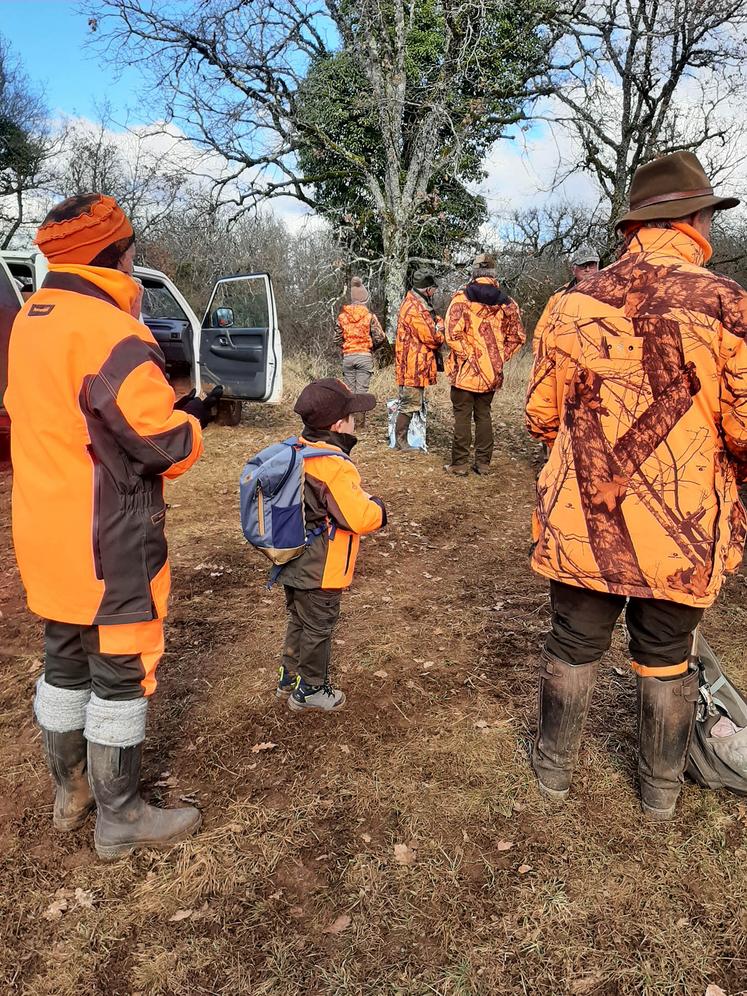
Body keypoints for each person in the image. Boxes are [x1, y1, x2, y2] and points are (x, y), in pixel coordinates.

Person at [525, 151, 747, 821]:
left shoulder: (568, 303)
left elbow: (539, 414)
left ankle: (551, 776)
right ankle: (657, 795)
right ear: (695, 219)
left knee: (571, 644)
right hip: (680, 525)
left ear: (633, 225)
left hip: (584, 512)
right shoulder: (727, 305)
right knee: (666, 656)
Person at [5, 193, 220, 860]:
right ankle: (120, 816)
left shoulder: (33, 320)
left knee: (64, 661)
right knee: (121, 672)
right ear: (115, 253)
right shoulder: (112, 331)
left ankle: (70, 794)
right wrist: (192, 423)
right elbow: (158, 443)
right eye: (130, 244)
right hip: (110, 539)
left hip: (46, 533)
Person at [275, 379, 387, 711]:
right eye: (352, 416)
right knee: (319, 628)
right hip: (321, 567)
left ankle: (288, 678)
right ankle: (310, 690)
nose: (355, 422)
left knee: (299, 620)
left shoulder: (297, 449)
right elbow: (358, 517)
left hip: (292, 558)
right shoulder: (333, 465)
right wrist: (379, 507)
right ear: (338, 425)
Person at [443, 253, 525, 476]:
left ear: (474, 272)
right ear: (493, 274)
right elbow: (518, 337)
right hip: (491, 373)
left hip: (465, 371)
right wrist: (497, 358)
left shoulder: (461, 299)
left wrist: (470, 356)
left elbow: (451, 334)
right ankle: (483, 463)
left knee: (462, 416)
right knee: (484, 415)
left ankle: (459, 464)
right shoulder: (508, 303)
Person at [394, 269, 444, 451]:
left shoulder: (419, 303)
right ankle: (401, 442)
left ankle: (403, 440)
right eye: (434, 288)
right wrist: (440, 328)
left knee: (412, 402)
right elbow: (432, 337)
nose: (435, 292)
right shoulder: (415, 307)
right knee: (409, 403)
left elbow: (430, 321)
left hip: (416, 363)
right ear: (427, 289)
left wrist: (436, 322)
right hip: (412, 364)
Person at [532, 244, 600, 356]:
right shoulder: (559, 297)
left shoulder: (612, 294)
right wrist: (538, 355)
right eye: (583, 265)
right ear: (573, 269)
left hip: (599, 358)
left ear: (598, 267)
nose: (587, 269)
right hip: (566, 357)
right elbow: (542, 330)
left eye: (591, 265)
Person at [335, 277, 386, 429]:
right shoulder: (369, 317)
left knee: (349, 391)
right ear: (364, 299)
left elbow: (336, 338)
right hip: (364, 356)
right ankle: (360, 425)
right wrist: (371, 349)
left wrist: (346, 348)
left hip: (348, 357)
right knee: (361, 392)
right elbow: (381, 337)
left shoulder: (342, 317)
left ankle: (349, 424)